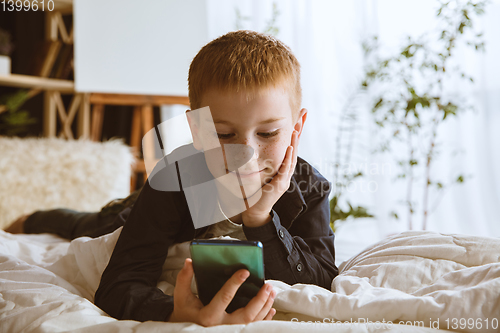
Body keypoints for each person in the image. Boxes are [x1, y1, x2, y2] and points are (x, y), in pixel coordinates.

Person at [6, 30, 338, 326]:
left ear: (296, 129)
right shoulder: (174, 177)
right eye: (223, 134)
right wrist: (173, 313)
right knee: (96, 224)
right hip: (134, 209)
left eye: (267, 133)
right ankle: (38, 216)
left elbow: (321, 279)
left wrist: (259, 218)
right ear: (198, 130)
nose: (245, 152)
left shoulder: (310, 187)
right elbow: (119, 284)